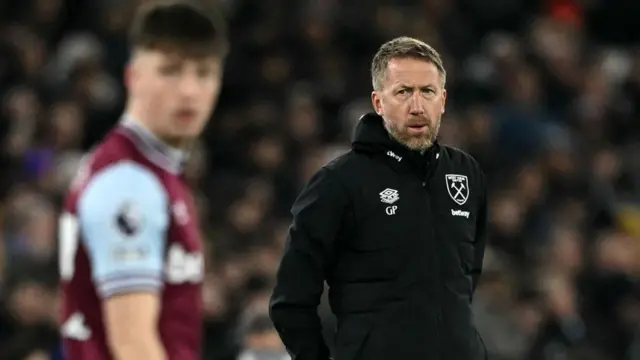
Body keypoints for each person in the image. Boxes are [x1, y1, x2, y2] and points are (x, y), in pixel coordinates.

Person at [269, 36, 488, 360]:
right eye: (403, 92)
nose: (417, 106)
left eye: (427, 91)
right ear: (378, 102)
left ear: (442, 100)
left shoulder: (465, 173)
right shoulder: (339, 182)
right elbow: (291, 300)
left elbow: (467, 277)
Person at [58, 2, 227, 359]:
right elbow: (133, 345)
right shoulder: (127, 183)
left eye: (204, 73)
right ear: (133, 76)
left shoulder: (154, 172)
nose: (189, 91)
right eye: (170, 71)